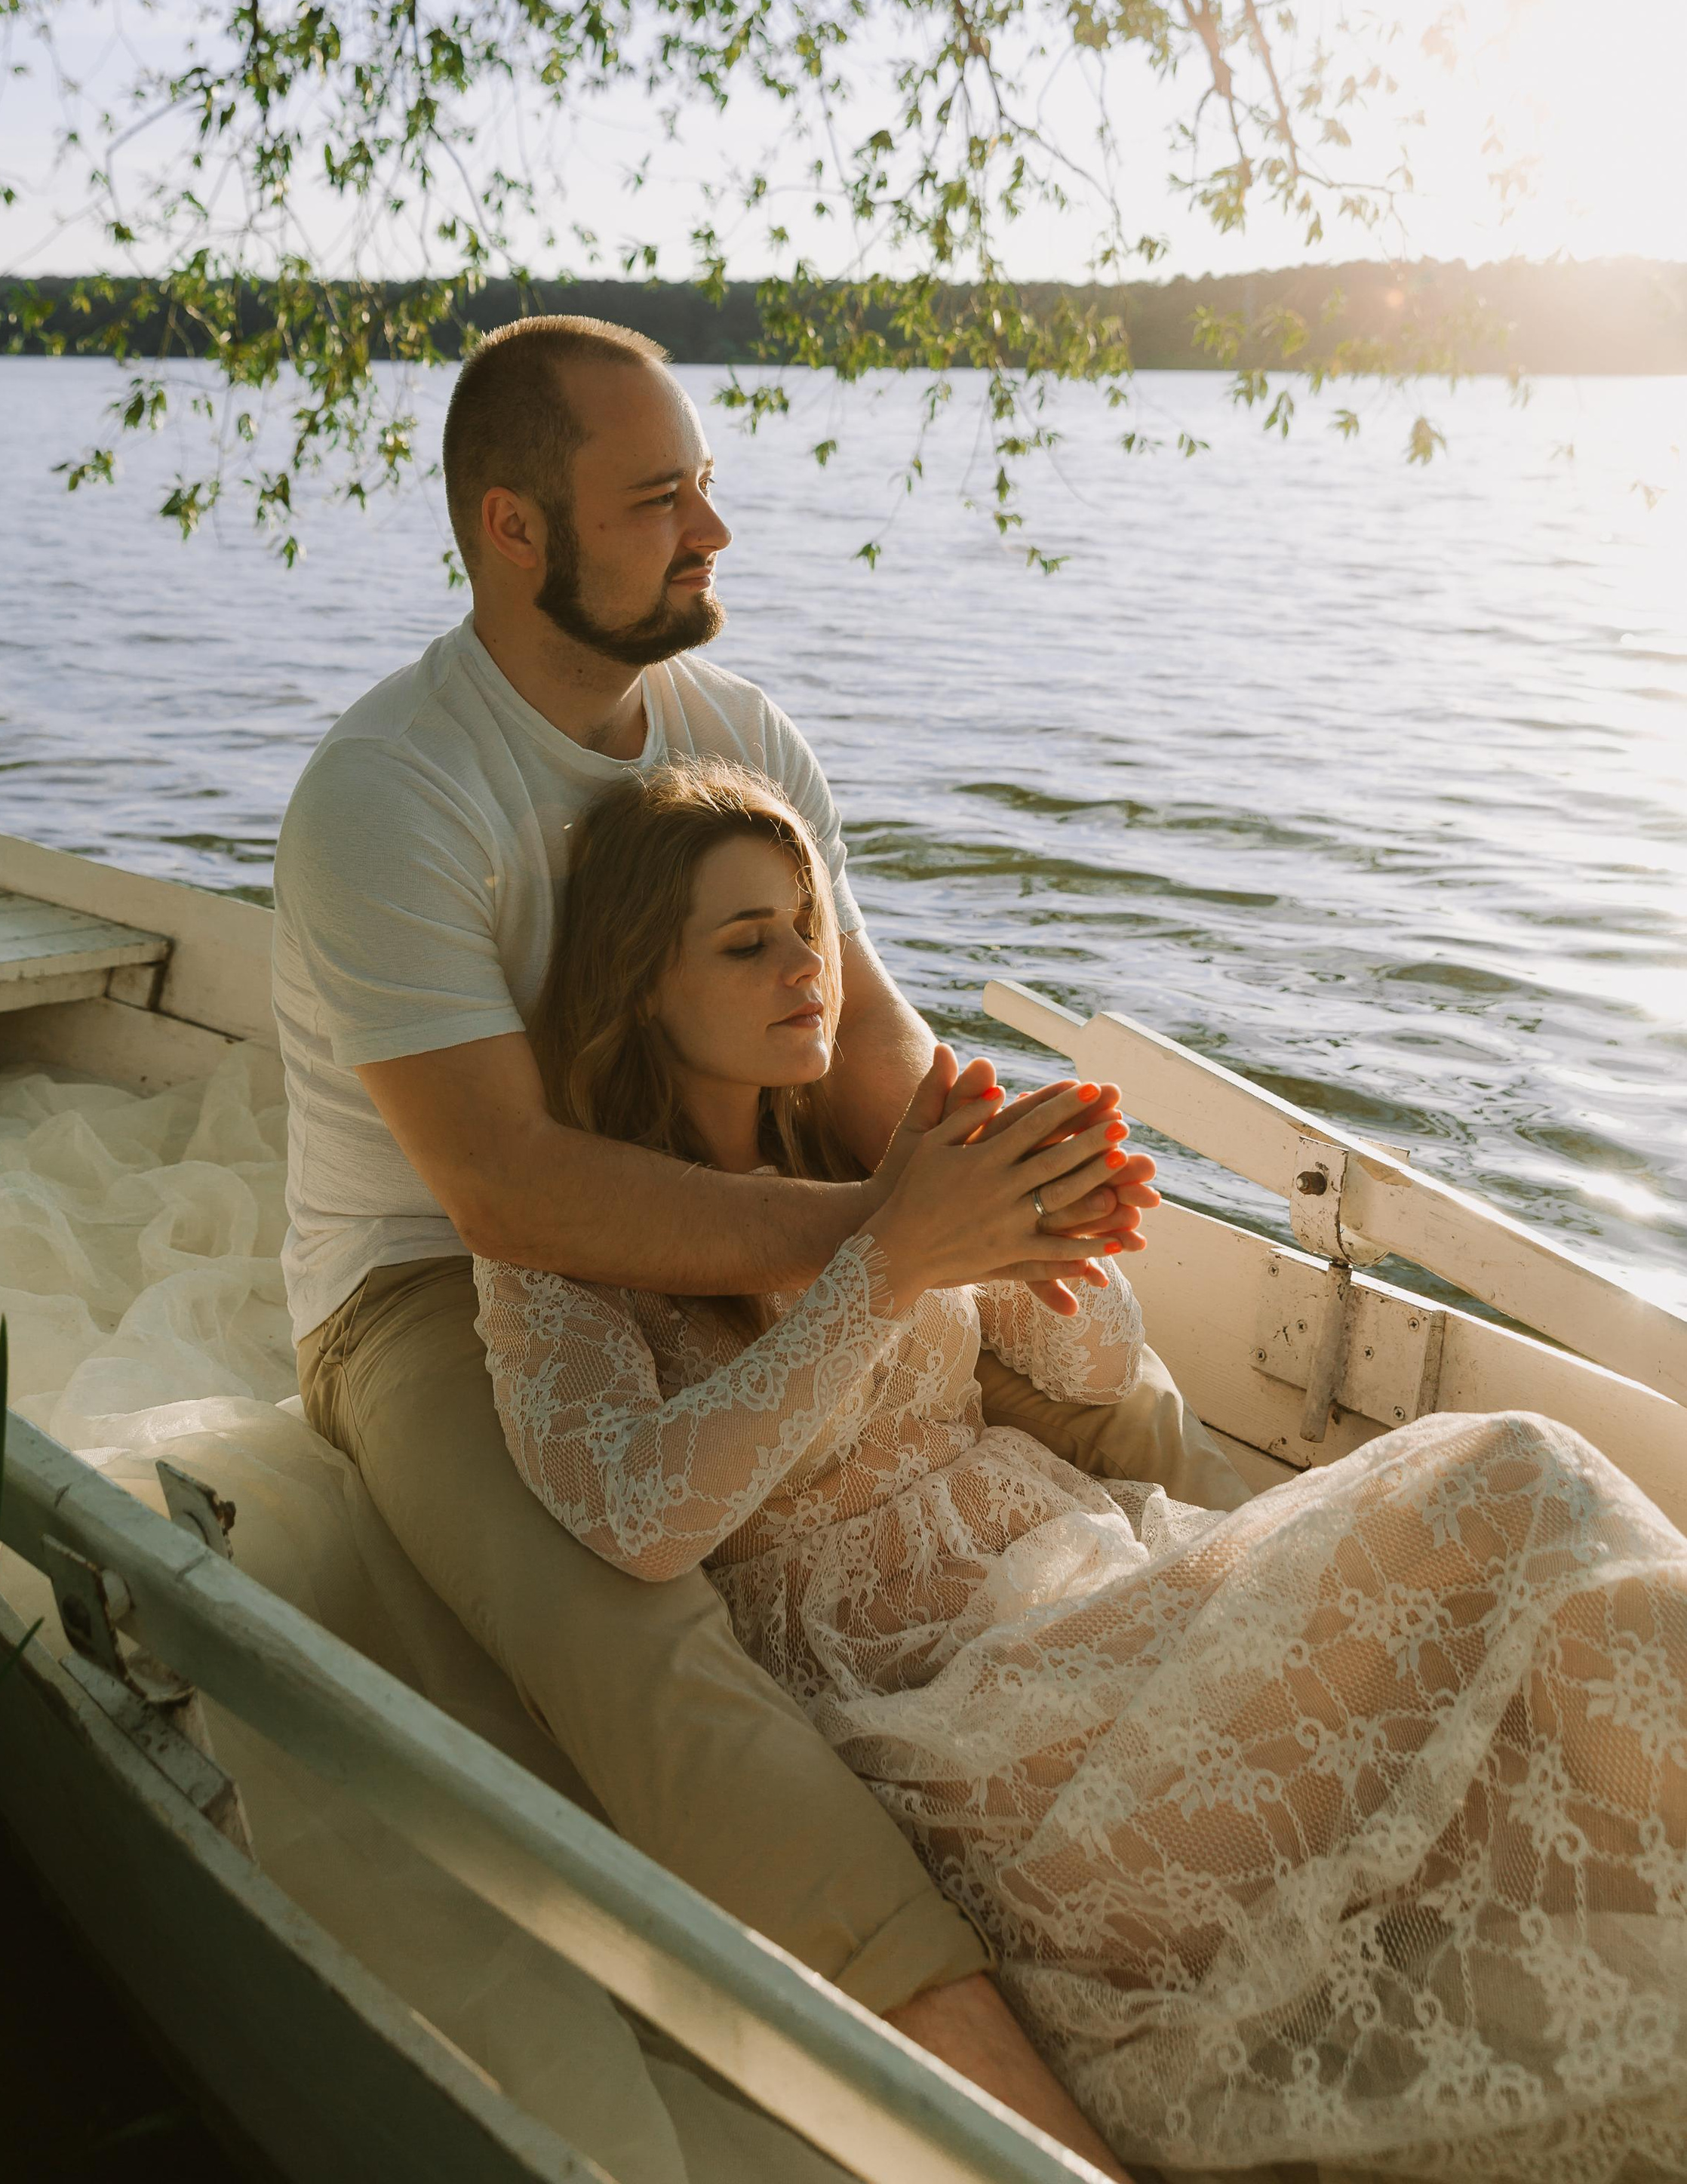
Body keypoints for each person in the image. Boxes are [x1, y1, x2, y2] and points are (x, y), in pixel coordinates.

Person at [277, 312, 1243, 2132]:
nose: (711, 534)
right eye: (656, 501)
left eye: (702, 485)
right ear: (511, 528)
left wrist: (1010, 1180)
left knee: (1099, 1371)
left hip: (744, 1166)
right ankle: (995, 2103)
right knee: (621, 1621)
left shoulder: (735, 728)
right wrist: (884, 1246)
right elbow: (508, 1184)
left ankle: (1240, 1683)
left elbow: (870, 1047)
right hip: (424, 1277)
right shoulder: (388, 794)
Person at [477, 758, 1687, 2181]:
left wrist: (1051, 1224)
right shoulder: (557, 1252)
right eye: (749, 944)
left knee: (1581, 1637)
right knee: (1516, 1479)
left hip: (1109, 1591)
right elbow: (637, 1514)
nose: (810, 967)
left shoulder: (864, 1149)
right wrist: (892, 1261)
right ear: (637, 989)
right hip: (974, 1743)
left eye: (810, 924)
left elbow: (1096, 1375)